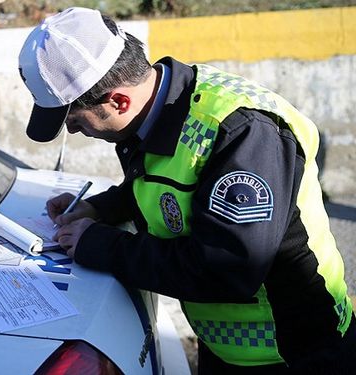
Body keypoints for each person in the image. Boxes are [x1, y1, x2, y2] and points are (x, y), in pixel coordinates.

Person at [18, 7, 355, 374]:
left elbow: (228, 268)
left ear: (118, 101)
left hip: (296, 352)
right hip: (225, 348)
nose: (75, 132)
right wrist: (100, 208)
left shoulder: (240, 133)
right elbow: (166, 188)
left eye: (76, 122)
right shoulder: (161, 108)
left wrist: (99, 244)